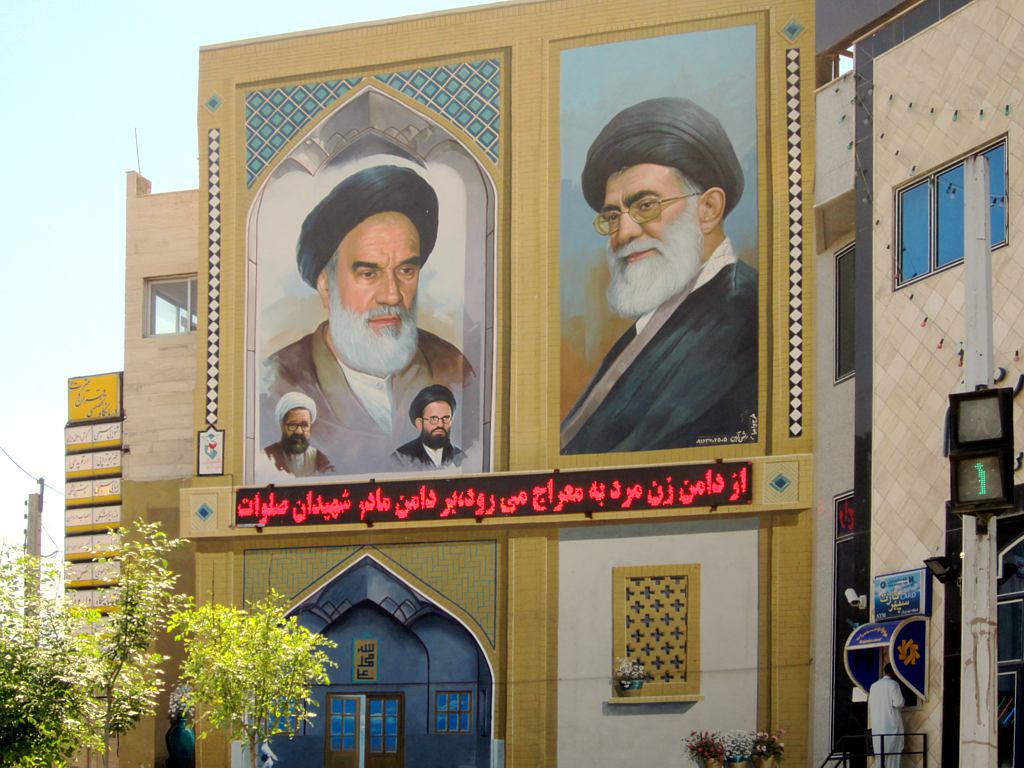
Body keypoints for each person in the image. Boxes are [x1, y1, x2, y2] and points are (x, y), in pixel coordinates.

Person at [560, 97, 758, 455]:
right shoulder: (655, 321)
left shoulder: (744, 315)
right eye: (613, 216)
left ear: (708, 208)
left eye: (646, 205)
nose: (623, 234)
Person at [262, 165, 474, 475]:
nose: (392, 295)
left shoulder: (453, 368)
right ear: (326, 285)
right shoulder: (277, 382)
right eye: (368, 273)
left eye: (406, 271)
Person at [393, 384, 465, 468]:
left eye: (445, 418)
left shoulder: (461, 457)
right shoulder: (401, 458)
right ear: (419, 423)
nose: (440, 424)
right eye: (433, 419)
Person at [263, 392, 335, 477]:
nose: (299, 431)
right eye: (292, 425)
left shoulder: (321, 459)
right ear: (282, 426)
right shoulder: (266, 457)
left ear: (310, 427)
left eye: (304, 425)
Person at [868, 663, 905, 767]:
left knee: (880, 759)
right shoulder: (893, 684)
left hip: (877, 728)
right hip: (891, 726)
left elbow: (871, 704)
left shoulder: (873, 686)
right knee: (893, 760)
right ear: (894, 672)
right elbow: (899, 703)